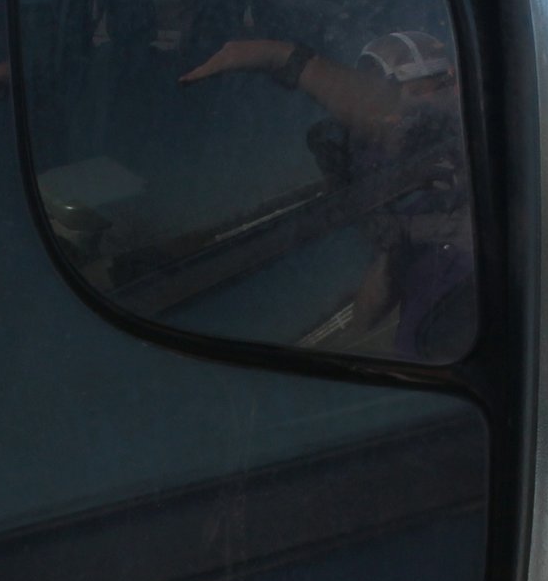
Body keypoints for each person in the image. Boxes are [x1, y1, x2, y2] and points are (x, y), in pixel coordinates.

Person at [179, 29, 475, 361]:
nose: (452, 92)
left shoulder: (463, 147)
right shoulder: (373, 169)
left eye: (449, 82)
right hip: (430, 339)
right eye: (425, 88)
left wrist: (282, 57)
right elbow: (375, 298)